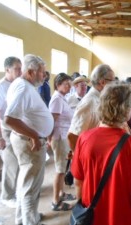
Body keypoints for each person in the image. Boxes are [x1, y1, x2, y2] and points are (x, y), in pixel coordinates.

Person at [71, 82, 131, 225]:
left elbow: (78, 183)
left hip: (92, 218)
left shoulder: (84, 139)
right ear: (127, 110)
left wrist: (83, 211)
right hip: (124, 219)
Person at [4, 54, 54, 225]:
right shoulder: (24, 88)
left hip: (28, 140)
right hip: (29, 143)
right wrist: (34, 136)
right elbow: (9, 119)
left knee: (27, 184)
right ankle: (29, 222)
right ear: (31, 72)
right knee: (30, 188)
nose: (44, 76)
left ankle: (24, 219)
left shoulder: (23, 85)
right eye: (42, 72)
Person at [0, 56, 22, 208]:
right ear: (7, 69)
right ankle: (7, 196)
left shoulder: (18, 84)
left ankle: (18, 191)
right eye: (17, 68)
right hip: (5, 128)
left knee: (21, 161)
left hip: (18, 127)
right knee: (10, 162)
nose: (20, 71)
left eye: (21, 68)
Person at [67, 64, 116, 151]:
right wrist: (81, 159)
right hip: (88, 154)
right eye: (112, 81)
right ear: (102, 82)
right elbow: (73, 136)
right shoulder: (89, 102)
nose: (114, 85)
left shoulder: (100, 98)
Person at [48, 73, 75, 211]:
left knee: (63, 168)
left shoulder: (62, 98)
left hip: (63, 137)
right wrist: (49, 138)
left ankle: (61, 193)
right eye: (66, 84)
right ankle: (55, 202)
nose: (69, 86)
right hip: (59, 138)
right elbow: (52, 121)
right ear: (58, 84)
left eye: (70, 83)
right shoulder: (57, 99)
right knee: (59, 170)